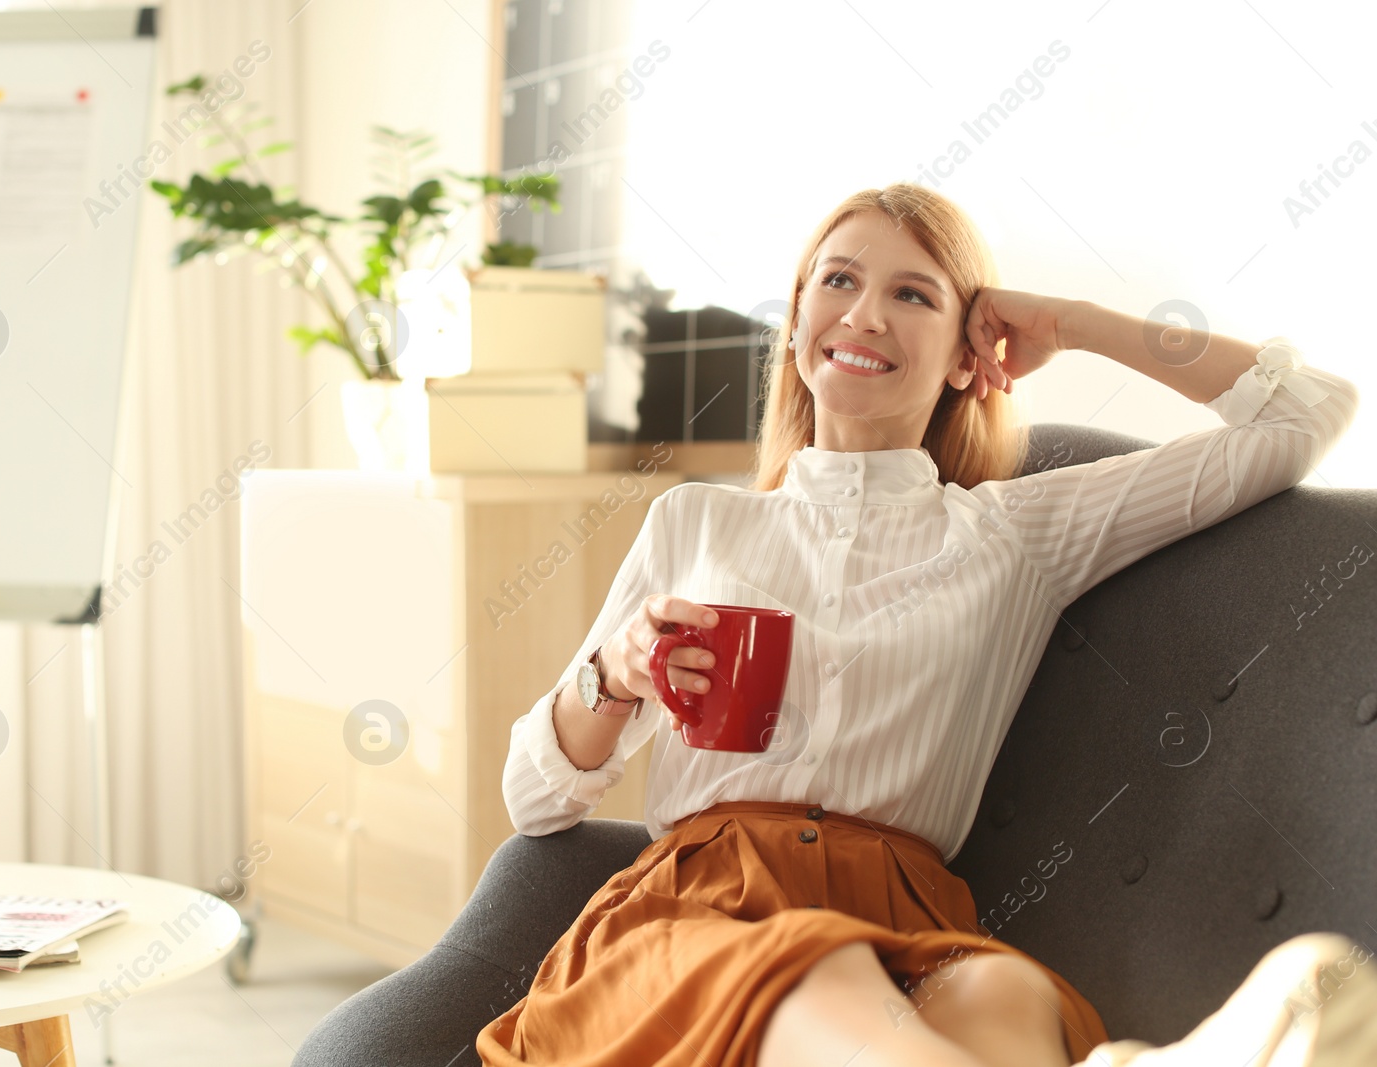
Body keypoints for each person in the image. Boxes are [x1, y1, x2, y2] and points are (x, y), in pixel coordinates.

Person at [475, 183, 1367, 1067]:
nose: (863, 314)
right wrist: (615, 672)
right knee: (820, 973)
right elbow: (536, 797)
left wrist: (1075, 323)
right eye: (837, 281)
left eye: (913, 294)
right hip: (697, 910)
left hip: (906, 915)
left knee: (1006, 991)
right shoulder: (694, 521)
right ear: (795, 325)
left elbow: (1306, 413)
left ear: (965, 355)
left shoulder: (1018, 532)